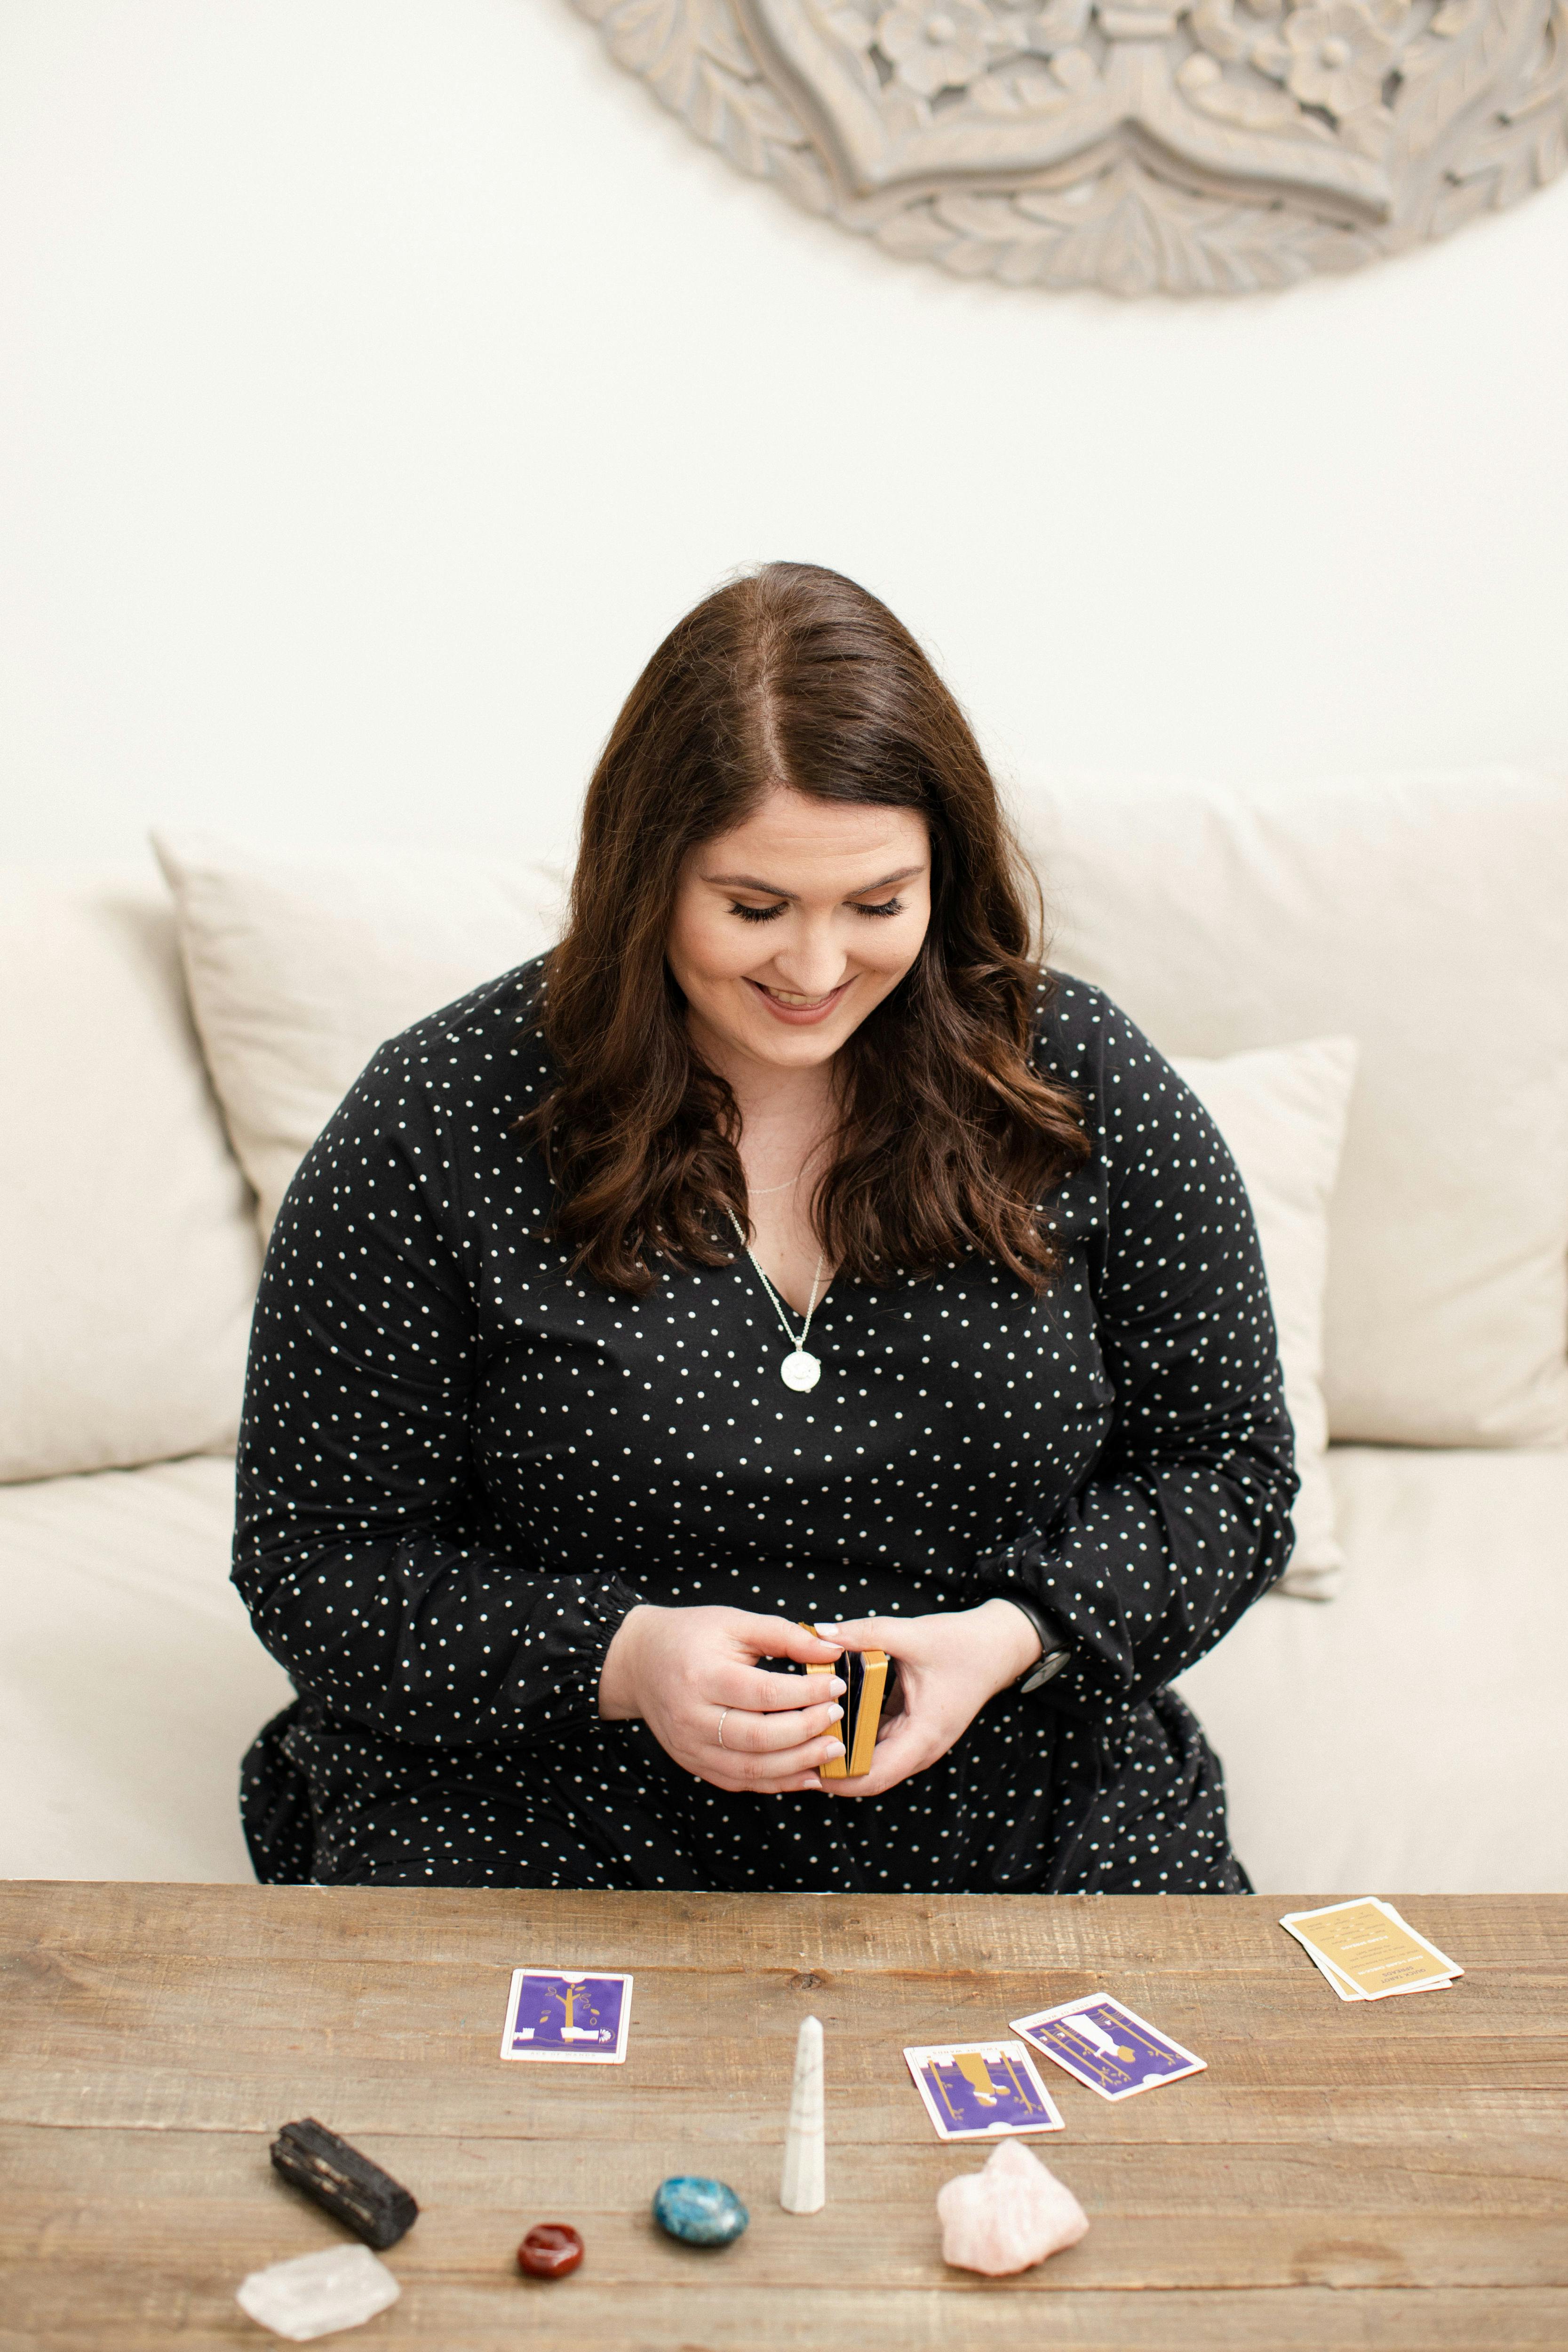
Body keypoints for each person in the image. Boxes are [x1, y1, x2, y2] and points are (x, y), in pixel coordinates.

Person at [233, 561, 1295, 1894]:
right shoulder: (440, 1114)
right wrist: (623, 1661)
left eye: (876, 904)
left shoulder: (1076, 1079)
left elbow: (1231, 1473)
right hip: (538, 1771)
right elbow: (313, 1555)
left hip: (1005, 1759)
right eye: (751, 909)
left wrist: (1012, 1636)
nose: (812, 972)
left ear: (942, 873)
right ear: (642, 880)